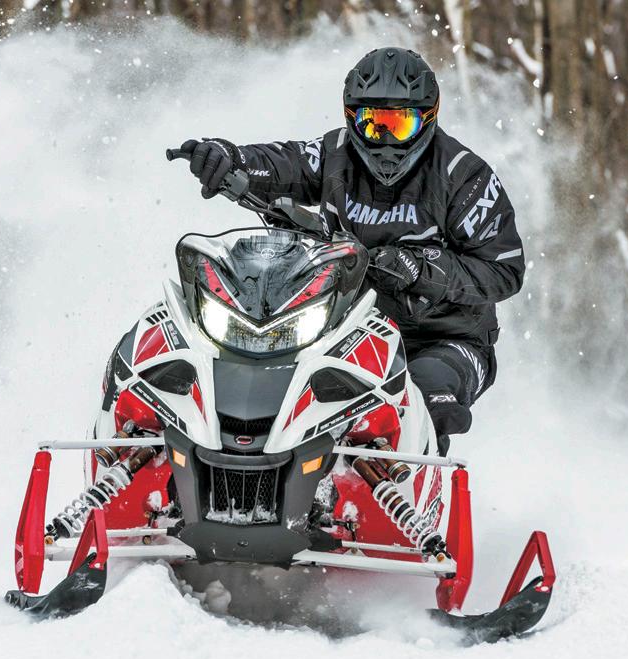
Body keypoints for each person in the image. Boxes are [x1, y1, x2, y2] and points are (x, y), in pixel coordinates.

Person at [176, 47, 524, 454]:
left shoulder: (463, 176)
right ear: (351, 117)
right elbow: (285, 163)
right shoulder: (336, 154)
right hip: (349, 326)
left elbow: (505, 269)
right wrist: (231, 159)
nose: (386, 140)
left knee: (416, 401)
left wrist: (423, 269)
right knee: (271, 378)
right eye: (373, 123)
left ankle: (410, 485)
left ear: (427, 119)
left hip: (443, 339)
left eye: (400, 124)